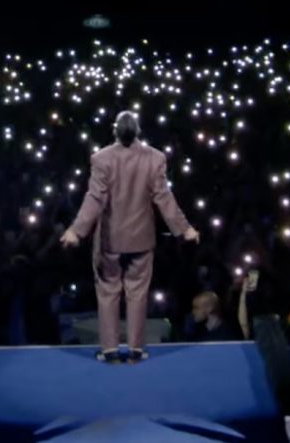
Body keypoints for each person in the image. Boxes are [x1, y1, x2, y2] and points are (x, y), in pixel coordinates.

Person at [60, 111, 200, 363]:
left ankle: (110, 350)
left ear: (115, 130)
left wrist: (76, 231)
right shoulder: (155, 158)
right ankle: (136, 349)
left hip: (110, 240)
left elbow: (95, 198)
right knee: (137, 293)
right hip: (141, 239)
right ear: (138, 131)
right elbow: (164, 197)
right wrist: (184, 228)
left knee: (108, 292)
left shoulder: (101, 158)